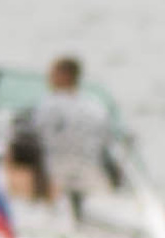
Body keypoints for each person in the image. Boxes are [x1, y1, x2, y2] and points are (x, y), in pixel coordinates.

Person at [21, 55, 115, 195]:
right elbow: (106, 142)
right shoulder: (96, 107)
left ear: (64, 75)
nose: (49, 78)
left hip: (54, 178)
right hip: (92, 177)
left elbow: (31, 137)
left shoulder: (46, 106)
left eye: (52, 74)